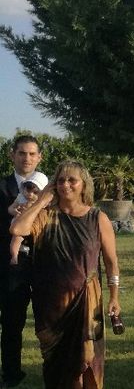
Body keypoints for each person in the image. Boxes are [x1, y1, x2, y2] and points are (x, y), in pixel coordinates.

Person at [10, 160, 120, 387]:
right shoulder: (44, 217)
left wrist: (115, 296)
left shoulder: (97, 218)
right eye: (60, 180)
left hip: (88, 303)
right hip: (51, 305)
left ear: (83, 185)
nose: (65, 185)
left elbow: (111, 262)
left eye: (72, 180)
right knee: (57, 366)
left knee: (87, 361)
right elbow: (17, 229)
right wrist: (41, 201)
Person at [0, 135, 43, 387]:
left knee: (43, 321)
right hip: (8, 265)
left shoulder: (47, 187)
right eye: (22, 153)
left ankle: (57, 369)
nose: (27, 158)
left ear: (39, 157)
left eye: (31, 154)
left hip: (40, 266)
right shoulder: (2, 187)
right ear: (12, 155)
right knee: (11, 322)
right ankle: (12, 375)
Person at [8, 172, 48, 269]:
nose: (30, 194)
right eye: (28, 190)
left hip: (33, 225)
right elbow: (10, 208)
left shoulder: (40, 203)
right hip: (19, 223)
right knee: (16, 239)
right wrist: (16, 212)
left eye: (35, 192)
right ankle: (14, 256)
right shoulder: (20, 197)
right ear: (24, 188)